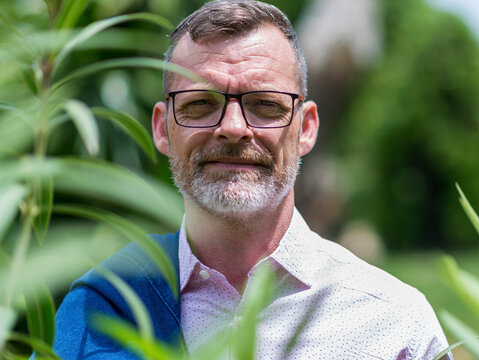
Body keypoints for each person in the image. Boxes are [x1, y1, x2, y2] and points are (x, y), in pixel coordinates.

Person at [52, 1, 452, 359]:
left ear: (307, 128)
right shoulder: (103, 306)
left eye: (264, 105)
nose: (232, 128)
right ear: (161, 129)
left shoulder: (394, 324)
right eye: (199, 104)